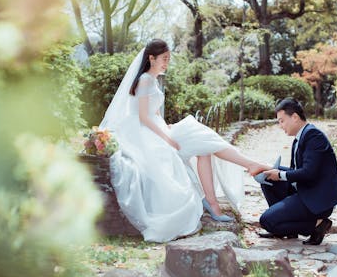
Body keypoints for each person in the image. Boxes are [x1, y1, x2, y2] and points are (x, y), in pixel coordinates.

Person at [100, 39, 270, 242]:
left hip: (158, 130)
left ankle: (217, 197)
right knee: (199, 135)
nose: (166, 63)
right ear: (151, 58)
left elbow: (153, 114)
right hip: (146, 135)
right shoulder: (145, 79)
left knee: (202, 143)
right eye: (163, 59)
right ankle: (248, 167)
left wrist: (167, 127)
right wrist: (167, 138)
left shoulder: (152, 80)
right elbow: (144, 118)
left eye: (168, 59)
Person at [255, 98, 337, 245]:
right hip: (304, 191)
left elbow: (309, 172)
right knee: (267, 175)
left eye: (281, 121)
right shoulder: (300, 137)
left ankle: (318, 224)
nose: (280, 126)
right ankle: (288, 228)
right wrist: (272, 171)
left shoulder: (314, 136)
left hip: (316, 200)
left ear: (294, 117)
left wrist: (281, 175)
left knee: (266, 221)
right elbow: (297, 171)